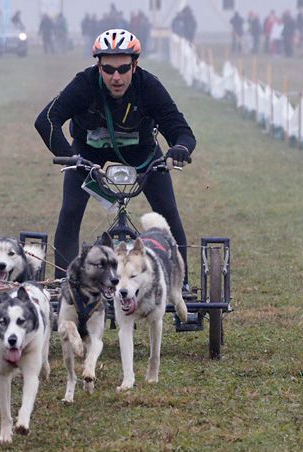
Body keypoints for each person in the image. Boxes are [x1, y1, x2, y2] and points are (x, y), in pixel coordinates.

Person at [34, 29, 195, 283]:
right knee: (70, 211)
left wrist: (180, 149)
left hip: (142, 154)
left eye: (123, 69)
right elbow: (46, 120)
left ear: (135, 65)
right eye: (108, 69)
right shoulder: (84, 84)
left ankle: (180, 285)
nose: (116, 77)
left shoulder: (149, 86)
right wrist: (69, 156)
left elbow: (181, 131)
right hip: (87, 154)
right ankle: (62, 286)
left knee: (168, 214)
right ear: (98, 66)